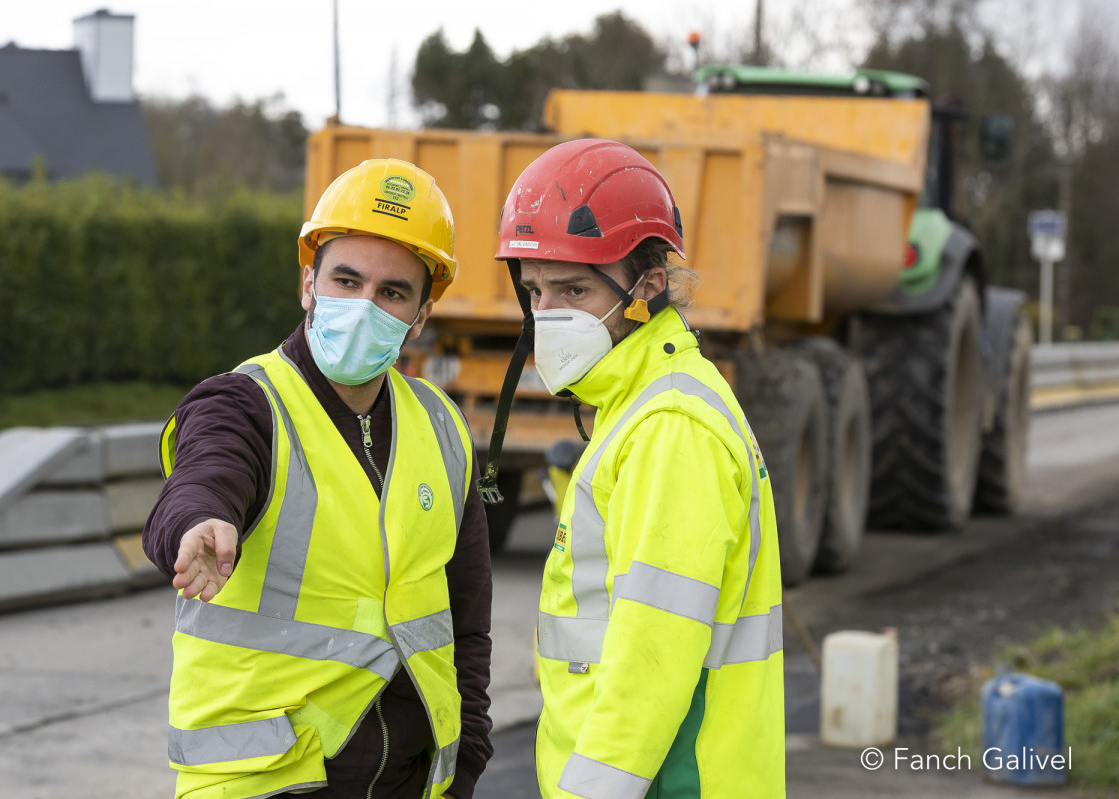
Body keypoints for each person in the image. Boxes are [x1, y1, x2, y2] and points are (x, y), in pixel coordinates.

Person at [142, 158, 493, 799]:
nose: (364, 306)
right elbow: (205, 472)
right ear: (309, 283)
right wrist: (198, 520)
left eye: (391, 293)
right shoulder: (243, 402)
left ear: (420, 314)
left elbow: (465, 623)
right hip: (268, 779)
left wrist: (465, 759)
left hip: (410, 784)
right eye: (347, 280)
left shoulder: (443, 429)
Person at [494, 139, 785, 797]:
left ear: (647, 286)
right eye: (537, 290)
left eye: (574, 287)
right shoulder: (638, 401)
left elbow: (650, 662)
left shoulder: (669, 426)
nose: (549, 314)